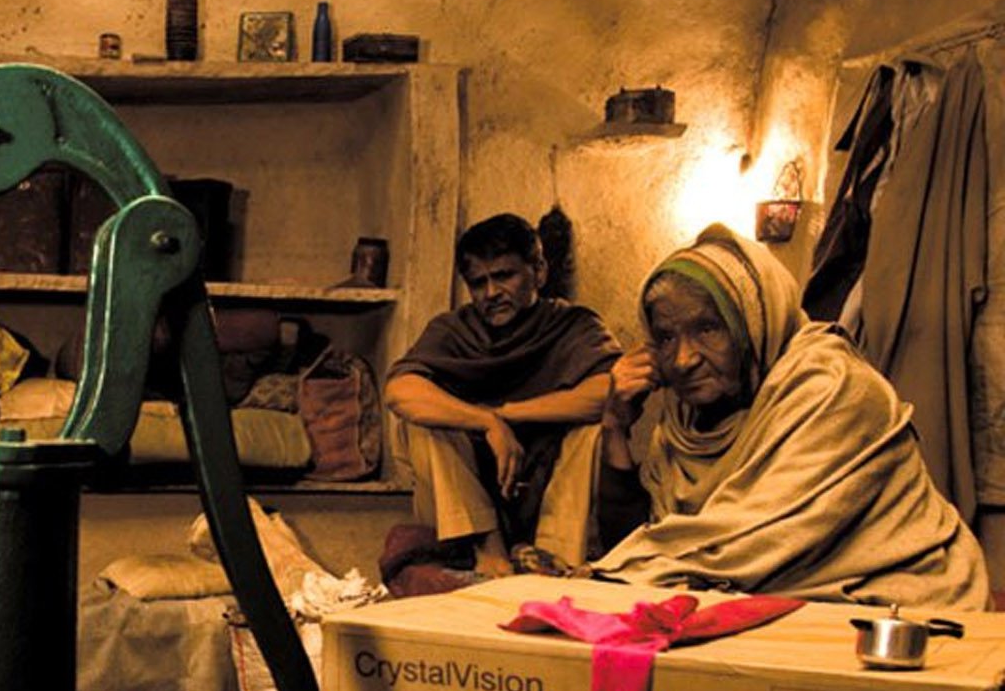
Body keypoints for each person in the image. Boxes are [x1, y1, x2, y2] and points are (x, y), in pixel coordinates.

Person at [592, 224, 990, 608]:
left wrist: (611, 576)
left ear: (753, 319)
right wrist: (614, 428)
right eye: (665, 337)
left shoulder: (833, 387)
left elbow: (741, 545)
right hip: (768, 610)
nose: (683, 359)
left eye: (708, 329)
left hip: (906, 609)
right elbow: (644, 553)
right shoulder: (684, 422)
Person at [384, 213, 622, 575]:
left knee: (592, 430)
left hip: (541, 496)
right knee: (422, 425)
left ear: (538, 271)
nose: (491, 293)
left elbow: (609, 391)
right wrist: (485, 421)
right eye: (479, 283)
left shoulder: (572, 325)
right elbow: (400, 391)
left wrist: (509, 414)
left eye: (504, 276)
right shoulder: (453, 330)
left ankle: (555, 557)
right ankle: (488, 551)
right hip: (464, 510)